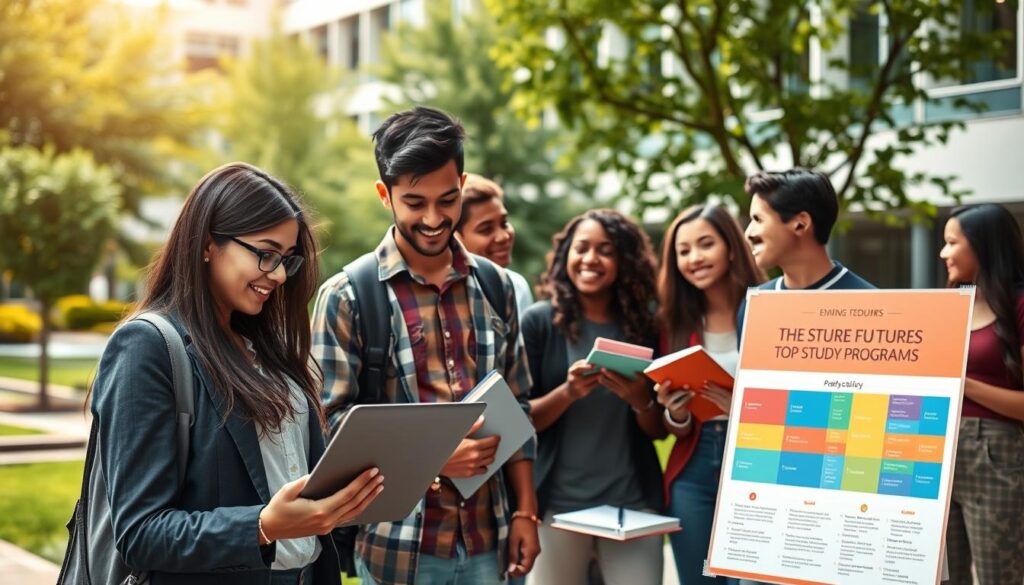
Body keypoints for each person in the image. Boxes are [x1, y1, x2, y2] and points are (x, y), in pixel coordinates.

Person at [89, 162, 384, 584]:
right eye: (265, 254)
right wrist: (262, 525)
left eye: (286, 259)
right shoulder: (147, 347)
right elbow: (140, 533)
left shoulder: (268, 351)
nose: (279, 274)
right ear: (208, 243)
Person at [310, 106, 540, 585]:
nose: (434, 219)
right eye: (415, 203)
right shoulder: (348, 297)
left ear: (463, 182)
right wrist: (433, 459)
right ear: (385, 195)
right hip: (398, 550)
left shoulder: (498, 286)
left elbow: (517, 404)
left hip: (491, 538)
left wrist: (526, 513)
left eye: (448, 199)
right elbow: (330, 433)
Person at [736, 169, 873, 585]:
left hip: (840, 509)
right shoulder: (754, 304)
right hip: (764, 499)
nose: (747, 232)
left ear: (800, 222)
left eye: (758, 220)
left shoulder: (871, 306)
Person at [522, 209, 666, 585]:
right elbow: (521, 420)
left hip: (633, 504)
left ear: (624, 261)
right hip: (557, 506)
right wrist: (568, 393)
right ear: (566, 255)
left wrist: (640, 400)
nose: (590, 259)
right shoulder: (539, 322)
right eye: (581, 248)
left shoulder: (645, 328)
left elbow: (658, 431)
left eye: (606, 250)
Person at [654, 205, 766, 585]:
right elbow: (675, 430)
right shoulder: (673, 322)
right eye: (683, 251)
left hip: (756, 462)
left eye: (706, 244)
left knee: (749, 578)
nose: (695, 258)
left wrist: (744, 410)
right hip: (695, 467)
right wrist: (677, 413)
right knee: (699, 580)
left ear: (732, 247)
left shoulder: (768, 309)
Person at [939, 203, 1024, 585]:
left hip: (995, 453)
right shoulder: (949, 305)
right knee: (941, 575)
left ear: (983, 247)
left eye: (952, 242)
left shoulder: (1018, 306)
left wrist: (962, 383)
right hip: (935, 449)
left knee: (997, 576)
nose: (943, 253)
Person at [455, 173, 535, 315]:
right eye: (486, 229)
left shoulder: (517, 286)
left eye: (504, 223)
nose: (503, 236)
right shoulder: (445, 295)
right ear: (456, 237)